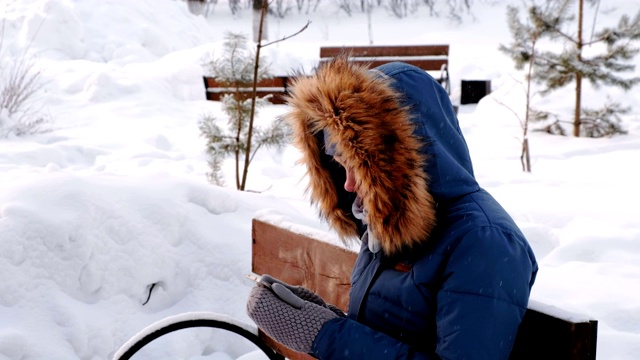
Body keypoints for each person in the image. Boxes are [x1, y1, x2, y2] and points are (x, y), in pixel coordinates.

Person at [246, 55, 538, 359]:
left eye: (358, 166)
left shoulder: (483, 242)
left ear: (396, 161)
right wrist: (320, 317)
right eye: (342, 165)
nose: (347, 185)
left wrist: (325, 335)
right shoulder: (391, 222)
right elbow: (392, 331)